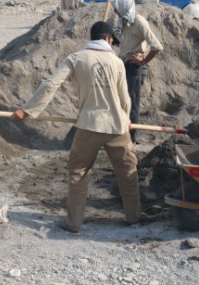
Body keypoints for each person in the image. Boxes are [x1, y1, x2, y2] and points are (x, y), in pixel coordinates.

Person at [12, 21, 141, 233]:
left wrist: (27, 110)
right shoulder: (117, 62)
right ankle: (133, 217)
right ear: (108, 39)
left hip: (89, 125)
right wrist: (127, 120)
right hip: (117, 127)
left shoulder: (76, 58)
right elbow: (125, 97)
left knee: (79, 173)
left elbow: (50, 84)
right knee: (128, 172)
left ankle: (74, 224)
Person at [111, 0, 163, 144]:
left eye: (116, 7)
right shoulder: (123, 22)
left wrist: (143, 61)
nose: (115, 11)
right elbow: (123, 42)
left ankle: (133, 138)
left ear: (124, 6)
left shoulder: (139, 21)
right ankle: (123, 133)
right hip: (125, 65)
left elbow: (157, 46)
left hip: (135, 68)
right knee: (122, 100)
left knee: (132, 101)